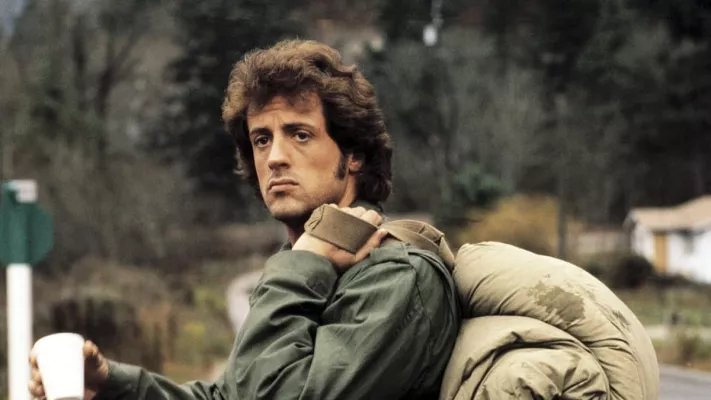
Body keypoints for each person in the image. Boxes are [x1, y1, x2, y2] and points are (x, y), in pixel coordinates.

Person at [29, 39, 459, 400]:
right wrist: (110, 388)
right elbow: (235, 394)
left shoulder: (396, 277)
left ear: (354, 156)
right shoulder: (314, 268)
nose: (275, 157)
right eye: (261, 139)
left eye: (300, 134)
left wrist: (301, 266)